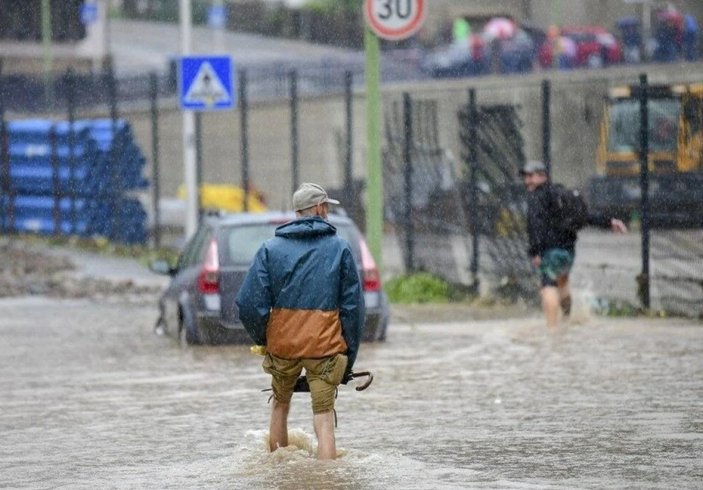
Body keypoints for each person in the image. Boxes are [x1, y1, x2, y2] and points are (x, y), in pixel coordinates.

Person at [235, 182, 364, 460]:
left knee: (280, 406)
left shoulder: (270, 249)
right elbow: (353, 309)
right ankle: (328, 481)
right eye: (326, 207)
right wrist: (348, 359)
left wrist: (265, 338)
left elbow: (247, 304)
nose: (327, 211)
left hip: (283, 347)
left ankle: (280, 472)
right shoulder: (340, 249)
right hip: (325, 349)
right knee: (324, 418)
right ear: (319, 209)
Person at [520, 161, 627, 327]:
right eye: (525, 177)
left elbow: (534, 225)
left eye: (531, 177)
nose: (527, 181)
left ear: (543, 176)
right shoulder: (562, 193)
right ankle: (566, 320)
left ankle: (552, 331)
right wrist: (609, 222)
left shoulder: (536, 197)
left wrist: (535, 251)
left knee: (548, 286)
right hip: (568, 251)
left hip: (550, 251)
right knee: (563, 282)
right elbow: (584, 216)